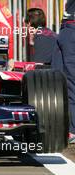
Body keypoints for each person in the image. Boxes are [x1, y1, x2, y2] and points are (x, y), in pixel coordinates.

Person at [58, 0, 75, 144]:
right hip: (66, 30)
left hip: (71, 29)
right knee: (61, 81)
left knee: (71, 83)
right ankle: (69, 128)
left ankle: (72, 130)